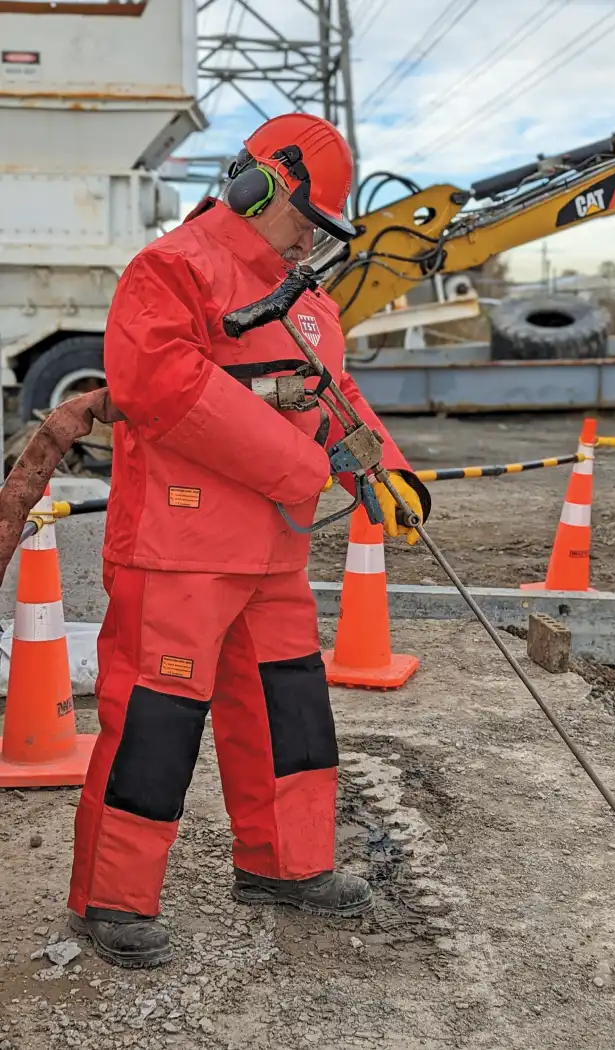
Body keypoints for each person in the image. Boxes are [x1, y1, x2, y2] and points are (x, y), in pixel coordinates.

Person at [66, 112, 431, 969]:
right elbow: (162, 386)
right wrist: (305, 469)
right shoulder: (172, 270)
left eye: (325, 228)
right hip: (180, 551)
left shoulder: (306, 302)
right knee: (155, 724)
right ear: (258, 183)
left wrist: (386, 471)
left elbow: (329, 389)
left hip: (273, 552)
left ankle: (287, 867)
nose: (313, 238)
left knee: (288, 713)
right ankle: (111, 900)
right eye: (308, 217)